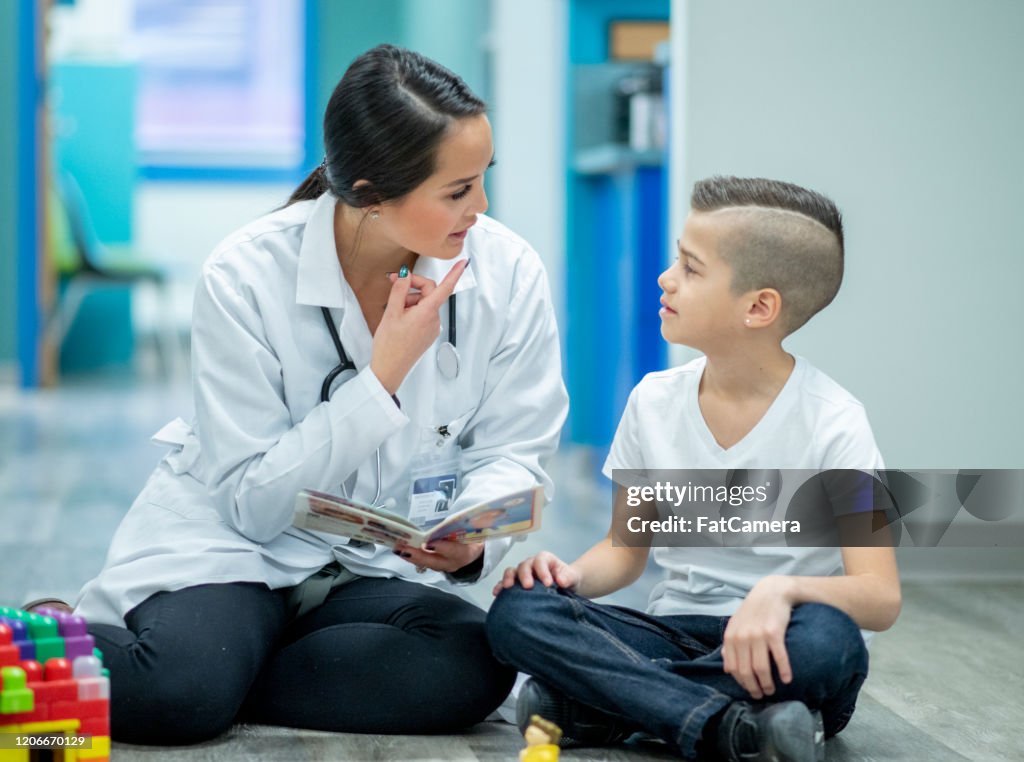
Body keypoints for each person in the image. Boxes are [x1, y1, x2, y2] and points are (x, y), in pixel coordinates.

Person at [48, 44, 568, 745]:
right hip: (234, 548)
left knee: (474, 663)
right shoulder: (246, 274)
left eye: (482, 180)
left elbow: (515, 447)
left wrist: (470, 539)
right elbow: (254, 504)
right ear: (370, 193)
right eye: (456, 191)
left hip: (367, 570)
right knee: (180, 699)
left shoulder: (509, 273)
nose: (481, 208)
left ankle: (202, 671)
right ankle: (128, 662)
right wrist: (380, 379)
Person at [486, 176, 901, 761]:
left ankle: (612, 705)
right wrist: (568, 579)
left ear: (759, 307)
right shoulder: (653, 402)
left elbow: (880, 597)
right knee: (519, 612)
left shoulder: (836, 422)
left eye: (690, 267)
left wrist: (783, 591)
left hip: (783, 647)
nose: (665, 277)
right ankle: (732, 727)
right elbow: (624, 553)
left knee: (830, 643)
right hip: (677, 633)